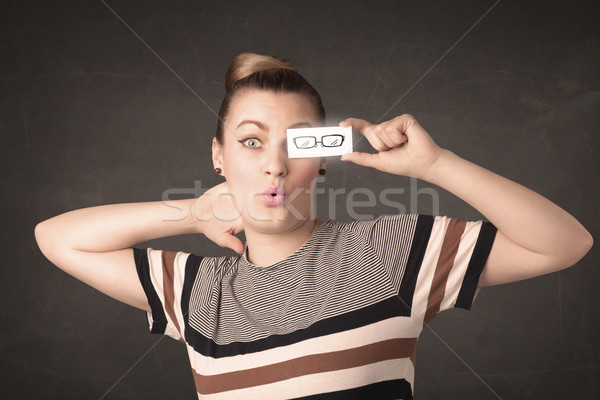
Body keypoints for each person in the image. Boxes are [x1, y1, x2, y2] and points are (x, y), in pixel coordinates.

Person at [34, 52, 593, 400]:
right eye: (251, 142)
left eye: (295, 143)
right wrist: (192, 212)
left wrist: (433, 165)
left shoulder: (385, 253)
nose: (274, 165)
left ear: (322, 159)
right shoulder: (197, 294)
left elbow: (565, 243)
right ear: (218, 157)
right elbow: (56, 238)